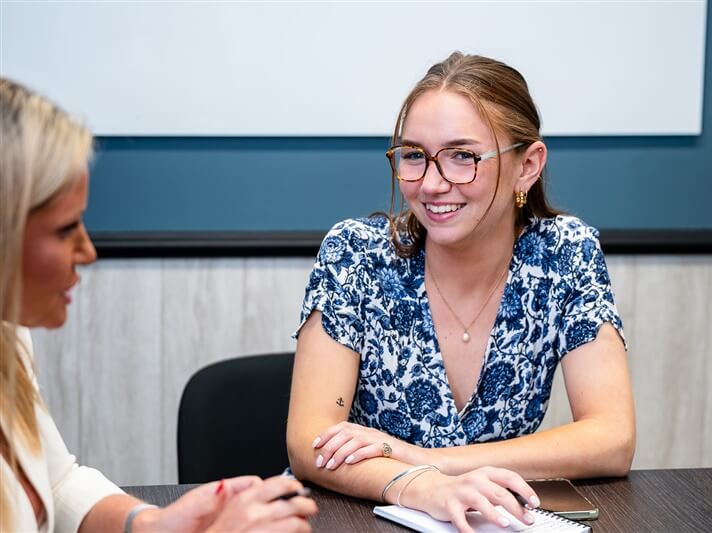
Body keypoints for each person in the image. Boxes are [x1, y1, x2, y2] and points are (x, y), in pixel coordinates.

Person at [286, 52, 635, 532]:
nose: (430, 184)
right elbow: (311, 442)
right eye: (414, 155)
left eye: (462, 156)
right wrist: (420, 483)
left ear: (527, 166)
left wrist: (429, 459)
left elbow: (612, 438)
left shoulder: (563, 253)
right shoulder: (355, 254)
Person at [0, 78, 317, 532]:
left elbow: (55, 483)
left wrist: (149, 523)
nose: (88, 251)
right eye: (65, 229)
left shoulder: (8, 332)